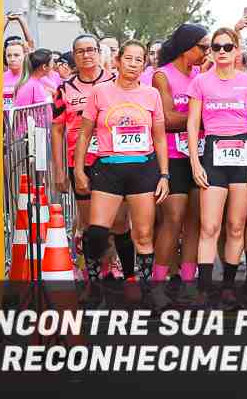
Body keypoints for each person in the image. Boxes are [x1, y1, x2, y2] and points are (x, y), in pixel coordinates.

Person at [73, 40, 170, 302]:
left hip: (143, 169)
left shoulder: (151, 95)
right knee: (97, 232)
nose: (133, 64)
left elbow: (160, 138)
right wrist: (79, 170)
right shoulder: (100, 92)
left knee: (144, 235)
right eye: (128, 59)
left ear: (144, 65)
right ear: (118, 61)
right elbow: (84, 134)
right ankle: (94, 290)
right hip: (108, 169)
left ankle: (146, 292)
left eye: (139, 60)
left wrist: (164, 175)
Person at [185, 27, 247, 310]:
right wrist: (195, 161)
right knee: (209, 226)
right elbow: (193, 124)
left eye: (227, 47)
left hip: (243, 154)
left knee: (236, 226)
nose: (222, 52)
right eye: (216, 47)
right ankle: (204, 290)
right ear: (211, 51)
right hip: (212, 153)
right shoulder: (200, 82)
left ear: (237, 50)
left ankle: (229, 288)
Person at [51, 35, 124, 277]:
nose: (86, 55)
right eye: (80, 51)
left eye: (91, 49)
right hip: (80, 163)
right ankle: (93, 273)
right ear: (74, 55)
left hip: (113, 161)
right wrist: (60, 171)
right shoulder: (64, 89)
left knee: (116, 222)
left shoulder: (115, 81)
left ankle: (113, 263)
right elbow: (57, 130)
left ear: (99, 52)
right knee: (90, 224)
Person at [148, 23, 208, 308]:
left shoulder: (200, 75)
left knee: (195, 221)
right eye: (203, 47)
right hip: (172, 156)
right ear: (186, 47)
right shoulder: (162, 75)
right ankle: (158, 285)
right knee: (172, 220)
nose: (207, 52)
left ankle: (187, 282)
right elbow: (168, 118)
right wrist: (204, 117)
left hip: (199, 154)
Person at [3, 39, 26, 111]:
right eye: (9, 56)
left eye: (16, 55)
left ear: (25, 55)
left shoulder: (31, 77)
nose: (12, 59)